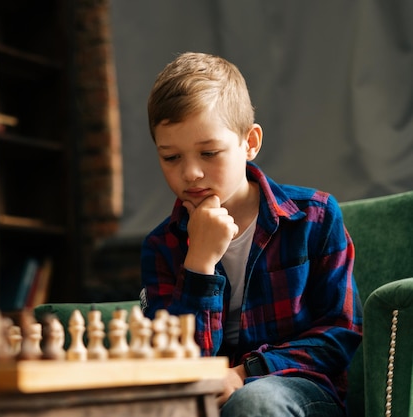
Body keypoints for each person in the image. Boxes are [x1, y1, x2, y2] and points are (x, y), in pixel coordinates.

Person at [139, 52, 363, 417]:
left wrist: (244, 374)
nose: (191, 172)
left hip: (298, 389)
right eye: (171, 157)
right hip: (201, 397)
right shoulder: (161, 245)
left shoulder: (315, 217)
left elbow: (340, 334)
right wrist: (200, 264)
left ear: (250, 143)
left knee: (252, 402)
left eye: (209, 152)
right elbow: (176, 363)